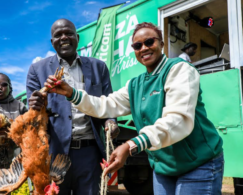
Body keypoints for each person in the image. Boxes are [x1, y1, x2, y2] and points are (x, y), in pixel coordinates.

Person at [43, 22, 224, 195]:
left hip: (197, 164)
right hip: (163, 166)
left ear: (161, 43)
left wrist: (131, 145)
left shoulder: (179, 70)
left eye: (149, 42)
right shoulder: (136, 85)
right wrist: (71, 93)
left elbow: (178, 120)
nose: (143, 48)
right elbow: (105, 105)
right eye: (137, 46)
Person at [26, 18, 119, 195]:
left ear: (77, 37)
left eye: (68, 33)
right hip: (54, 153)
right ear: (52, 42)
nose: (64, 37)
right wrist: (35, 106)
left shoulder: (98, 67)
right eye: (58, 35)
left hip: (89, 153)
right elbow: (33, 115)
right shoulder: (37, 69)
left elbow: (109, 105)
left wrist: (111, 121)